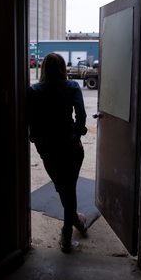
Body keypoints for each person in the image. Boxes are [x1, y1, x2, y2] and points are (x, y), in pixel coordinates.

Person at [28, 53, 88, 253]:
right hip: (71, 147)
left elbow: (31, 120)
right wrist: (78, 134)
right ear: (63, 68)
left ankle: (69, 230)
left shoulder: (34, 90)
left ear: (43, 68)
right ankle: (72, 227)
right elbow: (81, 114)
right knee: (67, 187)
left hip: (49, 149)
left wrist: (36, 139)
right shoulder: (72, 87)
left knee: (64, 188)